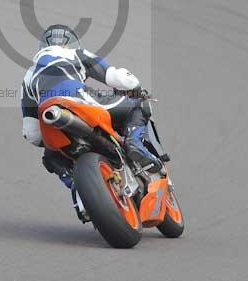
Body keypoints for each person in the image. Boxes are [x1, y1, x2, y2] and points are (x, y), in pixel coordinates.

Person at [20, 24, 161, 189]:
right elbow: (117, 78)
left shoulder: (26, 80)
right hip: (78, 98)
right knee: (139, 103)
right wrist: (136, 89)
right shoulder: (75, 53)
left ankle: (75, 186)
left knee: (52, 156)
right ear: (70, 43)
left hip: (49, 115)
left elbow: (32, 134)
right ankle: (134, 142)